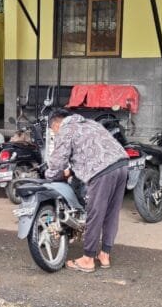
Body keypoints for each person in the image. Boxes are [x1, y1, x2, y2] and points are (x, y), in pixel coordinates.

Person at [45, 109, 129, 272]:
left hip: (102, 171)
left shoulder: (66, 129)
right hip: (122, 165)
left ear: (55, 124)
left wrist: (49, 175)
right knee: (111, 213)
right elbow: (90, 152)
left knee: (95, 212)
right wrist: (71, 171)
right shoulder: (90, 123)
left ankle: (88, 259)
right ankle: (104, 255)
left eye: (52, 131)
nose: (54, 133)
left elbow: (58, 162)